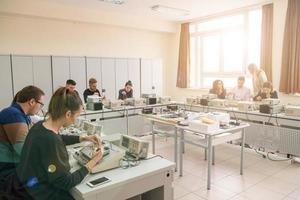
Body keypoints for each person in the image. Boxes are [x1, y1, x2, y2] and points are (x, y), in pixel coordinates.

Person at [10, 87, 103, 200]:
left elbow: (59, 138)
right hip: (38, 193)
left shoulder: (40, 126)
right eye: (77, 116)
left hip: (25, 185)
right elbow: (65, 182)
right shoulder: (51, 140)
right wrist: (92, 162)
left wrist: (83, 138)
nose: (75, 120)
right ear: (68, 114)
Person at [0, 86, 45, 180]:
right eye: (41, 104)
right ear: (32, 102)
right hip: (8, 169)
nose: (40, 108)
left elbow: (36, 135)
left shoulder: (24, 116)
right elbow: (23, 151)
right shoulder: (13, 114)